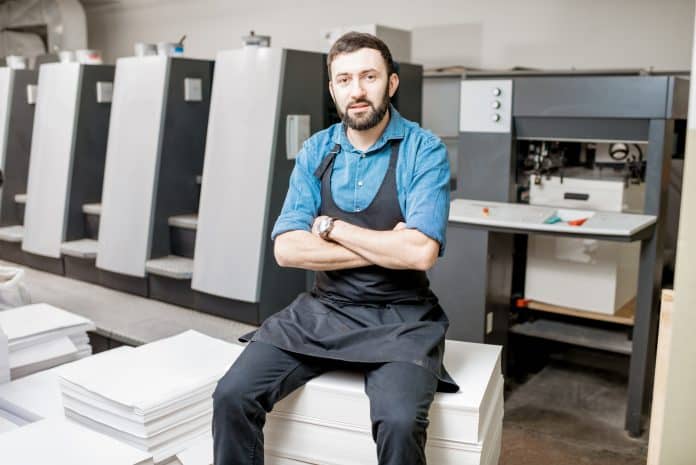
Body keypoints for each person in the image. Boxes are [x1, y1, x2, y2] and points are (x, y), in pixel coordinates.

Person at [212, 31, 457, 465]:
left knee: (400, 423)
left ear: (392, 83)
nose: (357, 91)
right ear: (332, 89)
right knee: (232, 395)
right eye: (344, 80)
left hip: (401, 317)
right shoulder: (317, 150)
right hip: (323, 310)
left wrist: (330, 228)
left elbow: (420, 254)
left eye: (369, 77)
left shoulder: (424, 150)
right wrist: (389, 244)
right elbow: (287, 250)